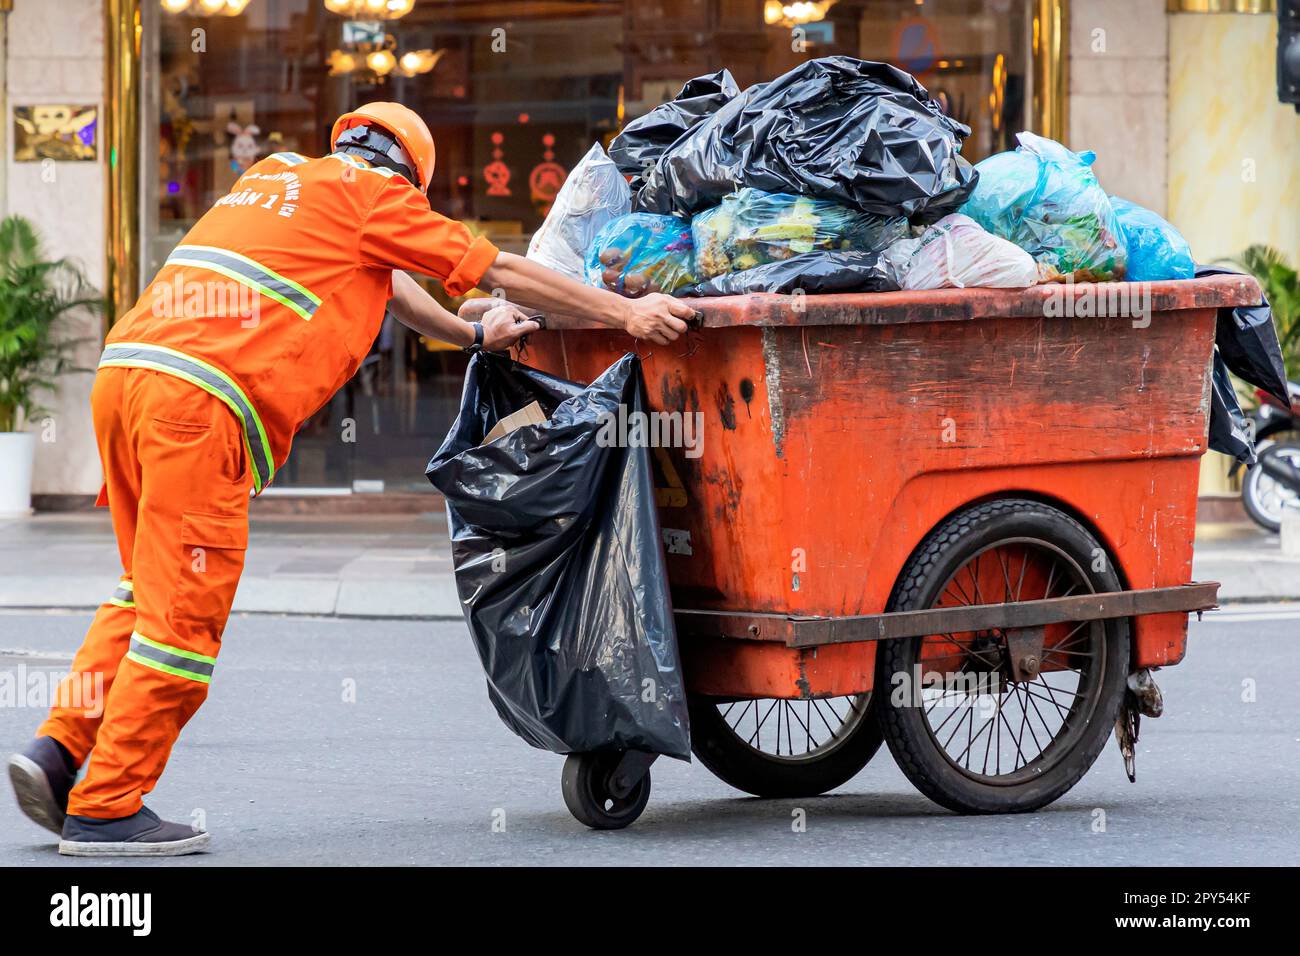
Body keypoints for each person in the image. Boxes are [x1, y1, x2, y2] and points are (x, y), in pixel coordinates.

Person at [7, 102, 692, 856]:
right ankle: (106, 806)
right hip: (196, 406)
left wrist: (471, 333)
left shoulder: (279, 178)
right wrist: (624, 314)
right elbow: (494, 267)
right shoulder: (375, 197)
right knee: (183, 622)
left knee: (143, 589)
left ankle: (59, 750)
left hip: (127, 378)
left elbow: (392, 289)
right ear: (411, 176)